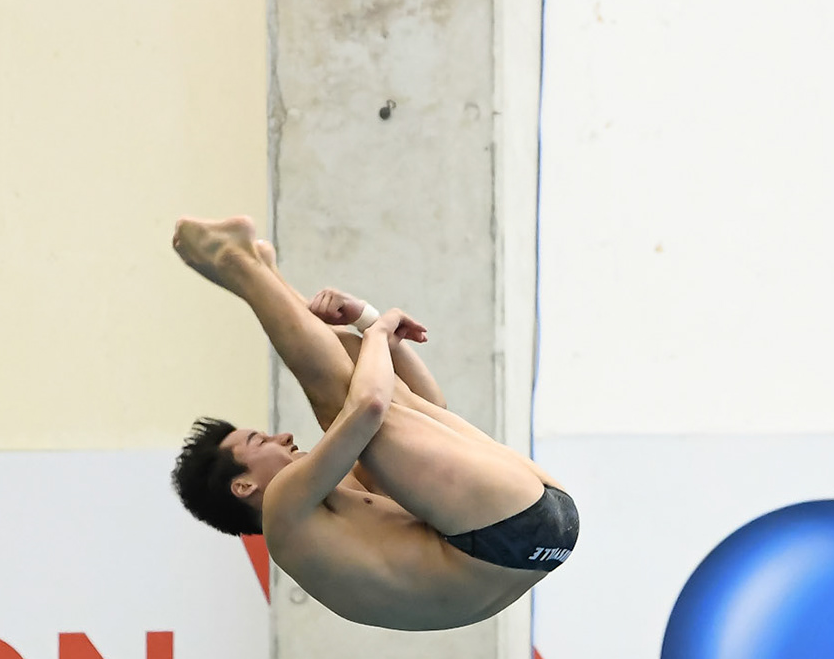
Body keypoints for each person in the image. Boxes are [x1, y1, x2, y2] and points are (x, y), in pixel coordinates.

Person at [168, 215, 578, 632]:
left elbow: (423, 404)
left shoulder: (342, 516)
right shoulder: (283, 512)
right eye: (260, 440)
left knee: (365, 392)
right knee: (346, 409)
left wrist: (363, 323)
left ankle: (264, 275)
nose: (284, 435)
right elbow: (368, 408)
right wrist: (378, 329)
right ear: (243, 486)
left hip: (535, 532)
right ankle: (239, 264)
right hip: (507, 529)